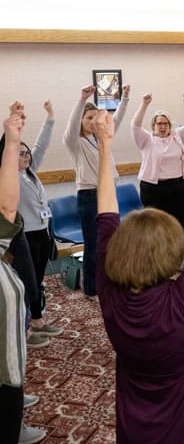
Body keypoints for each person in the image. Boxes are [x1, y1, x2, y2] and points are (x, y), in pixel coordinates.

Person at [95, 104, 184, 444]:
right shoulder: (183, 300)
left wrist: (105, 147)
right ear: (172, 254)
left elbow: (106, 219)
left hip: (135, 429)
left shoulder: (108, 290)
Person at [0, 110, 47, 444]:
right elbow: (6, 206)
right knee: (8, 364)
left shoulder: (30, 172)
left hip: (22, 240)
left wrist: (14, 138)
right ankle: (10, 425)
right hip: (14, 239)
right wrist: (12, 138)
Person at [63, 84, 130, 300]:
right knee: (93, 245)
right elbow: (70, 128)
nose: (93, 122)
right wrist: (82, 100)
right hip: (90, 197)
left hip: (109, 194)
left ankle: (110, 282)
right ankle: (92, 289)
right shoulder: (76, 143)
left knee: (112, 243)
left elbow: (115, 122)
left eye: (95, 117)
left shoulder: (102, 140)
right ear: (81, 121)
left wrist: (125, 98)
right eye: (88, 118)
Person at [17, 101, 65, 346]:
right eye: (20, 153)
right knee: (26, 284)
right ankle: (24, 331)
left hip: (41, 233)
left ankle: (37, 320)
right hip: (23, 236)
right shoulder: (8, 177)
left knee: (37, 280)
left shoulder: (30, 171)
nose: (25, 156)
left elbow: (42, 145)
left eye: (26, 154)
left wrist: (50, 117)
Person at [131, 92, 184, 229]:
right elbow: (135, 126)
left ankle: (177, 250)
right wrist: (144, 105)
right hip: (153, 189)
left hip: (177, 187)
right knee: (156, 226)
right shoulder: (146, 139)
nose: (163, 126)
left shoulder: (177, 136)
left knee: (177, 224)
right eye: (159, 123)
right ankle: (156, 251)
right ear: (153, 125)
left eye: (166, 123)